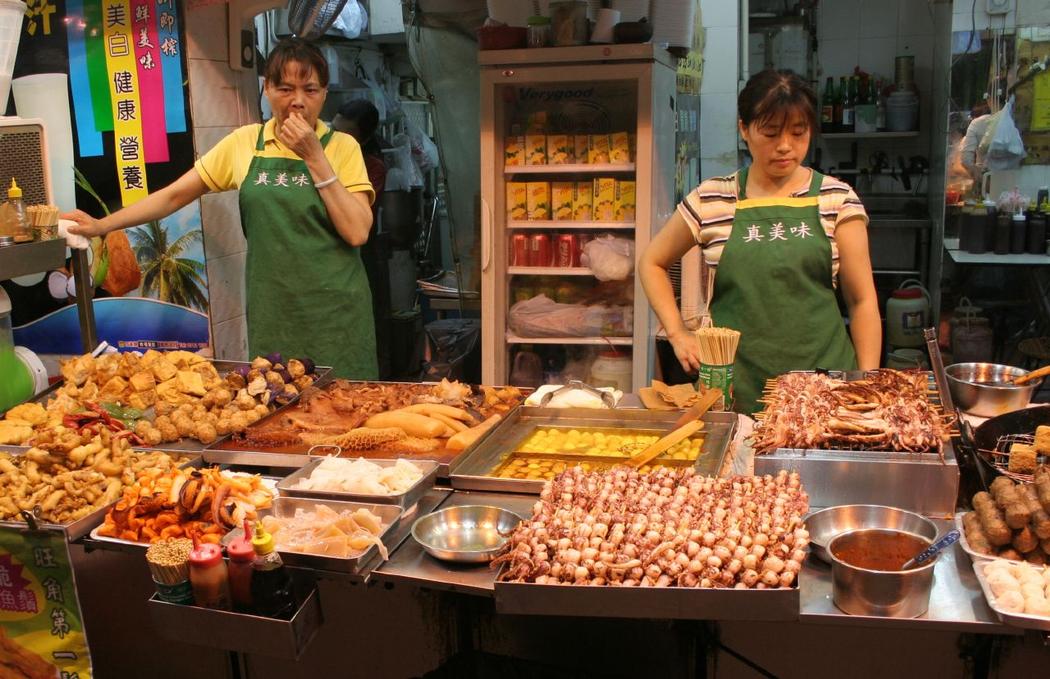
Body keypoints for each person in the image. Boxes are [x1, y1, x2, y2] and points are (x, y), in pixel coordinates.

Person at [62, 38, 378, 379]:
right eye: (285, 88)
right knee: (279, 407)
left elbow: (357, 230)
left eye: (310, 90)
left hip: (336, 310)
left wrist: (315, 156)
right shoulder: (245, 143)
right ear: (267, 89)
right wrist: (102, 225)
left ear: (325, 93)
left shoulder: (342, 147)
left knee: (348, 412)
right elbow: (172, 196)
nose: (298, 102)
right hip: (275, 308)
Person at [639, 69, 881, 414]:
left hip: (824, 386)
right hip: (734, 386)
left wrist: (866, 380)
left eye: (799, 133)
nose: (785, 146)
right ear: (744, 129)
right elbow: (652, 262)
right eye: (770, 132)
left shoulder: (836, 199)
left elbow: (861, 301)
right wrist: (677, 333)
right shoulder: (713, 198)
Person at [332, 99, 392, 378]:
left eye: (347, 135)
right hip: (330, 256)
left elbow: (355, 222)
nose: (338, 139)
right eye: (335, 130)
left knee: (371, 324)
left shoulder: (373, 166)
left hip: (363, 253)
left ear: (365, 138)